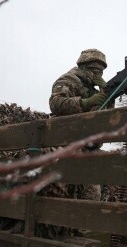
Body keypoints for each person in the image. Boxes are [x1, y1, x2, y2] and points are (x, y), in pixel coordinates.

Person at [47, 49, 108, 200]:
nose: (99, 74)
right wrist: (85, 102)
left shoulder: (93, 90)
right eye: (95, 70)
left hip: (86, 147)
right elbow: (55, 103)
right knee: (66, 192)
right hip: (64, 142)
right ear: (84, 67)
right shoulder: (69, 80)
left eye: (101, 71)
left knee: (92, 194)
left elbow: (106, 117)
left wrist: (107, 94)